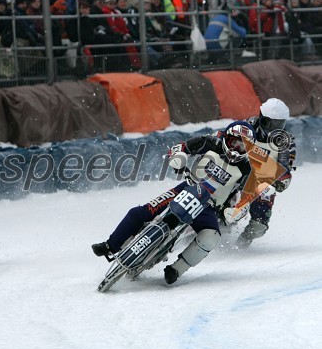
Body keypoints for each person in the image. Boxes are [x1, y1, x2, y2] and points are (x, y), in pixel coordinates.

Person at [92, 121, 258, 284]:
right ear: (227, 138)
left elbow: (246, 198)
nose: (236, 149)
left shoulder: (247, 170)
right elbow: (181, 147)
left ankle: (177, 269)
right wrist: (178, 157)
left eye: (242, 146)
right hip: (187, 188)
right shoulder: (210, 142)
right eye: (234, 143)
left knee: (210, 238)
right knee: (140, 212)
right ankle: (110, 245)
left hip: (210, 207)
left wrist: (236, 210)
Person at [234, 98, 296, 248]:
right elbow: (225, 139)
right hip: (235, 168)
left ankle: (241, 244)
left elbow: (285, 167)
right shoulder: (246, 126)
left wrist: (282, 178)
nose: (274, 128)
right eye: (271, 123)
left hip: (260, 180)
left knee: (259, 226)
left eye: (279, 124)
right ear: (262, 118)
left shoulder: (286, 142)